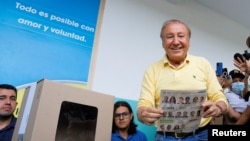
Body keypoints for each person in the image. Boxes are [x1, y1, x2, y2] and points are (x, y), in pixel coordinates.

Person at [137, 19, 228, 140]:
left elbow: (219, 96)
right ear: (162, 43)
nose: (175, 41)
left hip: (202, 135)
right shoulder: (152, 69)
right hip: (165, 137)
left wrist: (219, 107)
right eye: (169, 37)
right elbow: (144, 103)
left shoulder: (203, 63)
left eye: (181, 36)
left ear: (188, 41)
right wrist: (142, 113)